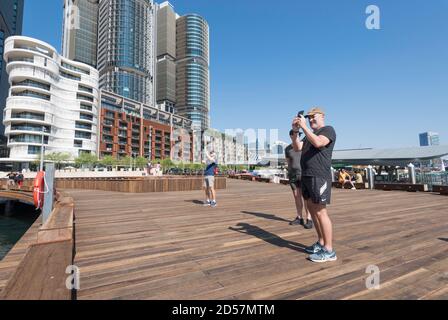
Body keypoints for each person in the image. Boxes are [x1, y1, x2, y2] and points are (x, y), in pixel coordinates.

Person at [292, 107, 337, 263]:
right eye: (308, 118)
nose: (311, 120)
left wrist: (304, 127)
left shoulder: (328, 130)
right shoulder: (309, 135)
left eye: (313, 117)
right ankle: (321, 242)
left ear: (322, 116)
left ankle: (329, 250)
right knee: (312, 209)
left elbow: (319, 143)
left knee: (321, 212)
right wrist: (295, 131)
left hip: (319, 177)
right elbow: (297, 148)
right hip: (307, 176)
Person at [285, 129, 313, 229]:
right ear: (291, 135)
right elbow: (289, 162)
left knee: (306, 198)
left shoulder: (304, 146)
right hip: (293, 175)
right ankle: (299, 217)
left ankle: (309, 219)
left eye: (299, 134)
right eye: (295, 134)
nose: (297, 136)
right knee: (297, 196)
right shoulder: (287, 149)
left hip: (303, 174)